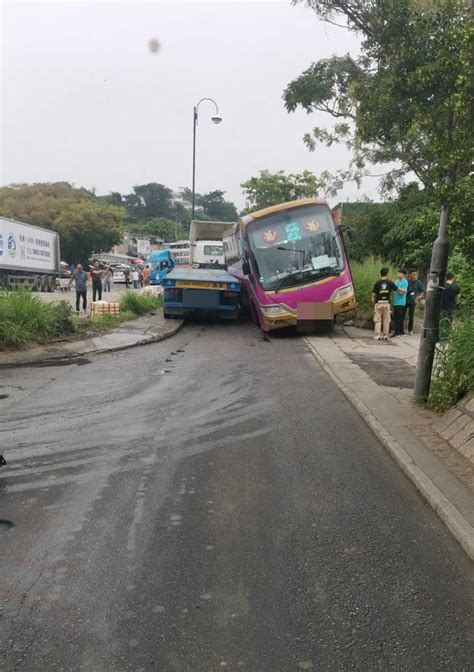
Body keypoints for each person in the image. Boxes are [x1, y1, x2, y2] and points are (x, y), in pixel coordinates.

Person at [372, 267, 398, 340]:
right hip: (387, 303)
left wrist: (374, 303)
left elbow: (373, 295)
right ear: (387, 274)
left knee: (378, 320)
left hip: (379, 303)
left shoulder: (377, 283)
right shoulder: (390, 282)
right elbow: (396, 289)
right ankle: (385, 335)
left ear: (380, 274)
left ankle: (377, 335)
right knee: (386, 320)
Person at [404, 268, 425, 335]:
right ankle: (401, 330)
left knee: (411, 316)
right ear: (409, 275)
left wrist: (419, 297)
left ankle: (410, 330)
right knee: (402, 315)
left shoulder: (418, 282)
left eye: (415, 274)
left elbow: (423, 290)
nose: (415, 275)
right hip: (405, 300)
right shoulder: (406, 281)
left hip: (412, 301)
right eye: (413, 274)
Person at [392, 268, 409, 337]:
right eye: (397, 273)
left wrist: (397, 288)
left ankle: (397, 332)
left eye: (399, 273)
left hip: (401, 302)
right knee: (396, 318)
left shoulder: (405, 282)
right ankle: (399, 331)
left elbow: (402, 292)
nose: (398, 274)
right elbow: (395, 289)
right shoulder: (396, 281)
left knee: (398, 318)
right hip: (395, 301)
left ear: (403, 274)